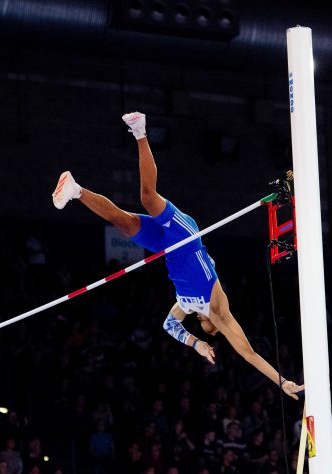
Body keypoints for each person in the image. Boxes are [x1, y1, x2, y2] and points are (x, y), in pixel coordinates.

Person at [52, 112, 304, 400]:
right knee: (148, 197)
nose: (206, 330)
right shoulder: (218, 312)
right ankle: (140, 130)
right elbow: (249, 353)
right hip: (186, 238)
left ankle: (75, 190)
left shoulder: (185, 305)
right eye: (209, 332)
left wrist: (196, 344)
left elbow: (169, 325)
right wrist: (282, 382)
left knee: (122, 222)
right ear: (214, 327)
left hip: (165, 247)